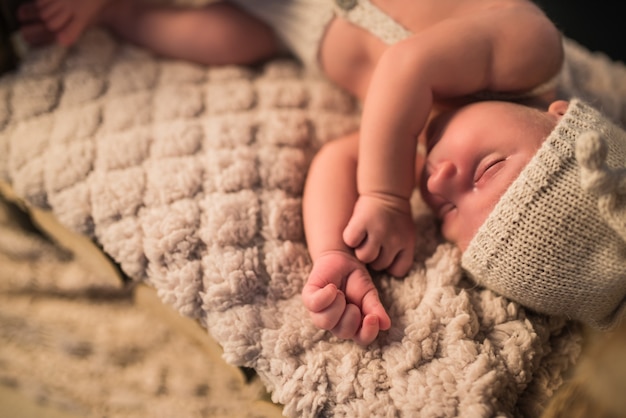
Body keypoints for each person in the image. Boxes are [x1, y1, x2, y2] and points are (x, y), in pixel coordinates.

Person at [15, 0, 574, 345]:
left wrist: (337, 254)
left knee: (222, 39)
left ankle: (117, 11)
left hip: (288, 27)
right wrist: (383, 196)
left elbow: (337, 161)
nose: (440, 179)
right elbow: (408, 64)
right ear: (559, 120)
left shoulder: (429, 141)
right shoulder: (529, 51)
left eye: (448, 210)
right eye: (488, 169)